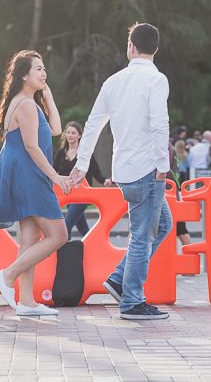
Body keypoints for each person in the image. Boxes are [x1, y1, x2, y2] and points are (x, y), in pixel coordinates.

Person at [69, 22, 172, 320]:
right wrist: (163, 166)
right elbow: (159, 123)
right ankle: (132, 301)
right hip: (148, 170)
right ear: (155, 48)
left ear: (131, 47)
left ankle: (118, 279)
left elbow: (92, 124)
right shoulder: (156, 80)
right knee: (142, 236)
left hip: (125, 170)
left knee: (161, 226)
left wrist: (82, 164)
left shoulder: (113, 82)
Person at [0, 50, 71, 317]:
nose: (44, 73)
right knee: (59, 235)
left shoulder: (28, 103)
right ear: (24, 75)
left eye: (44, 68)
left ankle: (27, 302)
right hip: (30, 178)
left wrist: (48, 97)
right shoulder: (25, 104)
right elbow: (31, 147)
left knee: (30, 238)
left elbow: (56, 130)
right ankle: (8, 275)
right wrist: (56, 176)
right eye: (38, 69)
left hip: (25, 176)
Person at [53, 121, 113, 240]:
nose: (70, 135)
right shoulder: (61, 154)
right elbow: (54, 172)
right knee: (83, 229)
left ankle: (64, 249)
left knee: (66, 226)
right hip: (68, 195)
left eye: (73, 133)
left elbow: (96, 172)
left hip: (83, 195)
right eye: (68, 132)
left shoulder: (84, 154)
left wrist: (104, 180)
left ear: (79, 135)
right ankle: (94, 244)